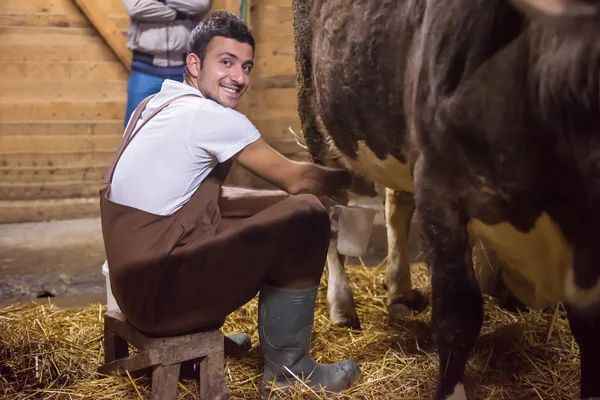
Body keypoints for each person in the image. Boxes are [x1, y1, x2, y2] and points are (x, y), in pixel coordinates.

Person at [100, 10, 361, 399]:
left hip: (132, 291)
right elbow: (297, 178)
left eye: (246, 66)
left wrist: (282, 199)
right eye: (226, 62)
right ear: (194, 63)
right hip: (160, 298)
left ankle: (200, 330)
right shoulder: (209, 118)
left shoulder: (154, 106)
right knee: (307, 217)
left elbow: (207, 198)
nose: (239, 77)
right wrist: (358, 176)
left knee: (288, 207)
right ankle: (288, 373)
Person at [120, 0, 213, 127]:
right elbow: (136, 7)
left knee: (189, 127)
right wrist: (180, 14)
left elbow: (200, 4)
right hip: (145, 70)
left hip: (186, 71)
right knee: (135, 128)